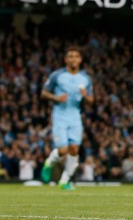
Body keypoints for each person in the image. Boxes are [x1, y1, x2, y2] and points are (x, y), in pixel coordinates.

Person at [40, 46, 94, 190]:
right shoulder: (57, 75)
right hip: (59, 114)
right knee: (63, 150)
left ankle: (64, 181)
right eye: (70, 56)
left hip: (75, 115)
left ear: (80, 60)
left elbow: (91, 100)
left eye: (76, 56)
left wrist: (85, 96)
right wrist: (56, 97)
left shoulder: (85, 78)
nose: (73, 59)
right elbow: (44, 93)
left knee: (75, 149)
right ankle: (49, 163)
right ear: (66, 59)